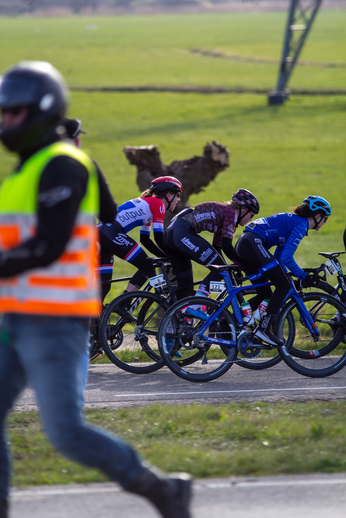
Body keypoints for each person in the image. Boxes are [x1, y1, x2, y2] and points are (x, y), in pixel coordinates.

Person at [0, 61, 192, 518]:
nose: (5, 121)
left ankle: (161, 489)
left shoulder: (63, 165)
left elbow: (50, 244)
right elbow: (107, 212)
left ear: (43, 110)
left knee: (65, 433)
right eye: (2, 113)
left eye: (14, 112)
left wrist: (145, 259)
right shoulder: (29, 170)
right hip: (14, 318)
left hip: (55, 320)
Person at [235, 195, 332, 347]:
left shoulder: (293, 221)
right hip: (252, 243)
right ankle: (264, 329)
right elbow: (287, 257)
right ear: (318, 216)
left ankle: (225, 322)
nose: (325, 222)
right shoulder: (301, 225)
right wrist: (303, 276)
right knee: (284, 286)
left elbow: (279, 258)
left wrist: (289, 274)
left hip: (245, 244)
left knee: (265, 293)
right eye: (325, 218)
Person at [163, 188, 260, 310]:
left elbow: (217, 248)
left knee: (185, 287)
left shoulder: (224, 212)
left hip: (171, 235)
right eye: (251, 215)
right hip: (181, 232)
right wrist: (242, 265)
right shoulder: (231, 214)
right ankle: (194, 308)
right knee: (220, 270)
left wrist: (232, 267)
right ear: (244, 210)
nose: (250, 219)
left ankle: (171, 325)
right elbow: (227, 246)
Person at [97, 176, 182, 303]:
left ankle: (97, 321)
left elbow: (145, 239)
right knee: (147, 266)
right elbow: (159, 237)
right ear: (169, 195)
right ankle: (123, 304)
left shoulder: (147, 204)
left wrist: (164, 256)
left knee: (103, 286)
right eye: (178, 195)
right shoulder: (158, 204)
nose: (179, 200)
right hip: (110, 232)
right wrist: (172, 256)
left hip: (99, 233)